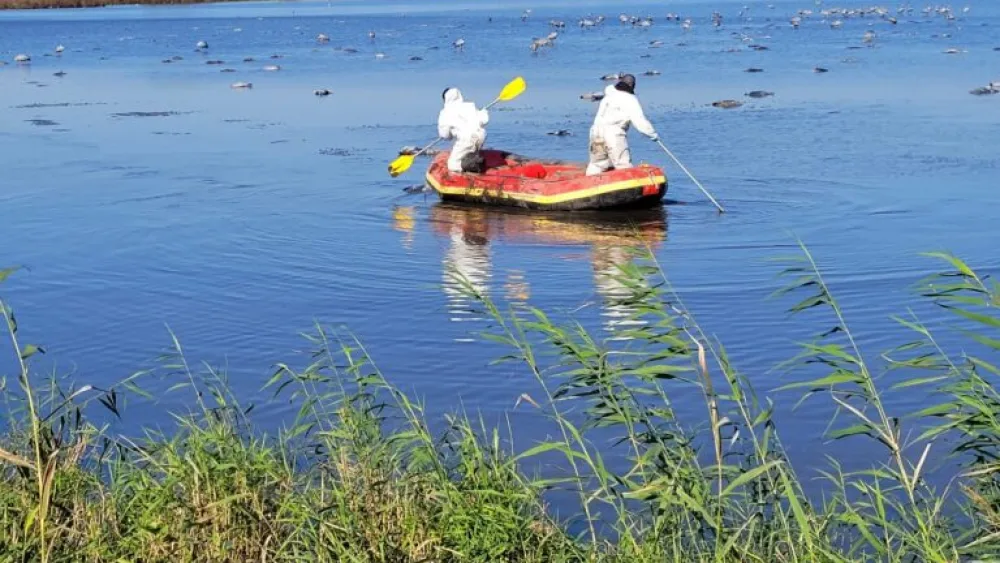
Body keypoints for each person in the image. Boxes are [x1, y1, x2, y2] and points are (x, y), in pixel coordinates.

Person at [585, 74, 658, 176]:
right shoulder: (629, 99)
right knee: (623, 165)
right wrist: (652, 134)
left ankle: (590, 186)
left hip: (596, 132)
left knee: (597, 164)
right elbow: (639, 121)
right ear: (632, 85)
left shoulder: (609, 95)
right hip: (613, 134)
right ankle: (631, 189)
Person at [437, 87, 490, 174]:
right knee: (469, 149)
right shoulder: (470, 105)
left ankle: (474, 165)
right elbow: (485, 120)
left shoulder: (445, 113)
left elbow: (445, 135)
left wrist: (450, 134)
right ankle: (472, 159)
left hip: (466, 139)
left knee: (453, 165)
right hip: (481, 136)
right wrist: (483, 111)